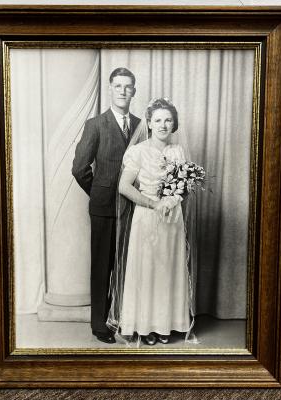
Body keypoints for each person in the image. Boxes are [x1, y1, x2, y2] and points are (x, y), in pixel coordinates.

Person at [107, 98, 193, 346]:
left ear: (174, 123)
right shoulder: (138, 151)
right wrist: (155, 204)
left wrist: (174, 198)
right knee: (148, 270)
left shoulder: (178, 151)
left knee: (168, 269)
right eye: (158, 120)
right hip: (147, 216)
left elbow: (184, 186)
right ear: (149, 123)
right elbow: (124, 187)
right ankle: (145, 326)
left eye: (168, 120)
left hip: (172, 220)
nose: (163, 125)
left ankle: (165, 324)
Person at [72, 68, 140, 344]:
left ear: (134, 91)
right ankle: (99, 324)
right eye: (118, 86)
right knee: (102, 265)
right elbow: (79, 169)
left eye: (128, 86)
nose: (123, 91)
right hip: (104, 208)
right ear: (110, 89)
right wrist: (99, 193)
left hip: (134, 208)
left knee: (129, 263)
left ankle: (125, 317)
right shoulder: (95, 124)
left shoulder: (140, 124)